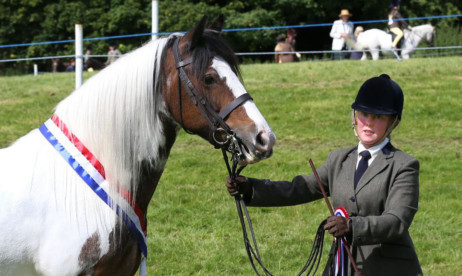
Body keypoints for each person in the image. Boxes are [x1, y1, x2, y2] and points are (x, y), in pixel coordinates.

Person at [225, 74, 423, 275]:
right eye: (364, 114)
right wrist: (250, 188)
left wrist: (351, 226)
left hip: (388, 268)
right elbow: (298, 189)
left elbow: (397, 221)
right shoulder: (338, 160)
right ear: (355, 116)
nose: (369, 123)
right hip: (342, 265)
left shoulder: (404, 165)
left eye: (379, 117)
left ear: (393, 123)